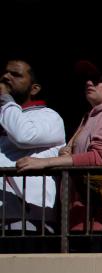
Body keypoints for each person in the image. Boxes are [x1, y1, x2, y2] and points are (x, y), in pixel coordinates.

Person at [17, 60, 102, 247]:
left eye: (97, 80)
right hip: (80, 220)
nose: (89, 83)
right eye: (87, 79)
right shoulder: (91, 116)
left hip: (100, 222)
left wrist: (48, 162)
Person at [1, 58, 66, 251]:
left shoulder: (48, 117)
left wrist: (5, 100)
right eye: (5, 72)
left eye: (16, 74)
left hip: (31, 221)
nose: (5, 77)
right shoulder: (5, 114)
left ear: (34, 88)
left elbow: (23, 135)